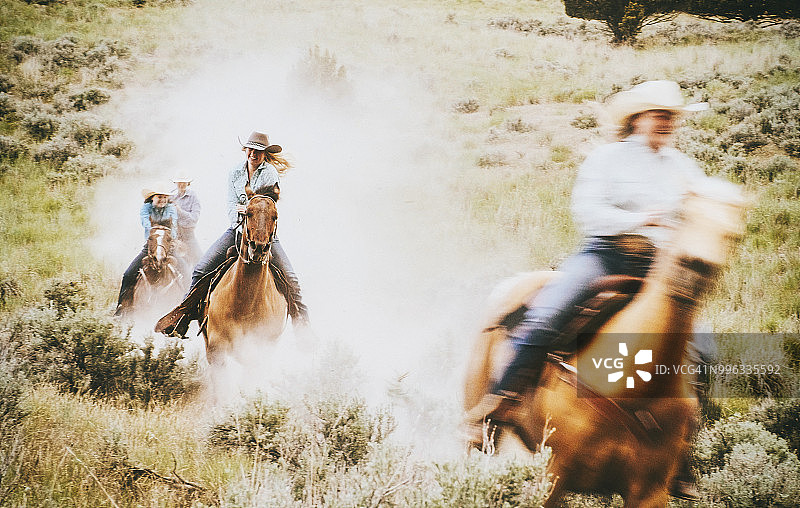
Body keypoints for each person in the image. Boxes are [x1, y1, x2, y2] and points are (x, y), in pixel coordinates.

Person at [465, 80, 710, 500]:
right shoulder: (607, 159)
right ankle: (496, 407)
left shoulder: (684, 168)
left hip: (657, 268)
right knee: (546, 317)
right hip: (604, 256)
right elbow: (587, 211)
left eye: (673, 116)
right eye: (660, 114)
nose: (668, 123)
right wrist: (641, 219)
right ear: (637, 119)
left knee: (705, 352)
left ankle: (682, 455)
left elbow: (700, 214)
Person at [159, 131, 309, 335]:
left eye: (258, 151)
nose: (253, 155)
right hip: (238, 229)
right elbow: (231, 205)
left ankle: (302, 325)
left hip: (264, 234)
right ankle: (183, 317)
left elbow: (269, 206)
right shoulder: (234, 173)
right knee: (201, 269)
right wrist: (242, 216)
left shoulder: (270, 173)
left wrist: (248, 209)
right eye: (251, 150)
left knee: (290, 277)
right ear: (245, 150)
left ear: (264, 153)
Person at [115, 182, 180, 315]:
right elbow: (145, 223)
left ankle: (188, 309)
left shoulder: (171, 208)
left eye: (164, 197)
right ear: (152, 198)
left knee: (186, 273)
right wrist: (155, 231)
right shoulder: (145, 208)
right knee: (128, 274)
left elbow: (174, 226)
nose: (162, 200)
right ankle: (121, 307)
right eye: (159, 197)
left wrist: (168, 236)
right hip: (151, 244)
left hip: (167, 244)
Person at [170, 176, 202, 266]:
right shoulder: (171, 196)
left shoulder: (193, 196)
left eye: (184, 182)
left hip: (188, 234)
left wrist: (180, 211)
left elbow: (194, 218)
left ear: (188, 183)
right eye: (179, 182)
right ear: (175, 183)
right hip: (173, 235)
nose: (181, 185)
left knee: (200, 260)